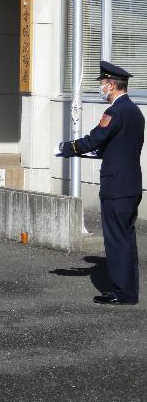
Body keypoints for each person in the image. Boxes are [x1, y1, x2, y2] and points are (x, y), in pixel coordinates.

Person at [56, 61, 144, 305]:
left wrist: (67, 148)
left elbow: (96, 138)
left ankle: (122, 293)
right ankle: (127, 291)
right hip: (129, 184)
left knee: (117, 240)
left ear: (113, 85)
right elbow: (117, 146)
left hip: (117, 186)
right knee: (124, 239)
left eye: (103, 84)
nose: (101, 88)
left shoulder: (116, 111)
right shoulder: (134, 112)